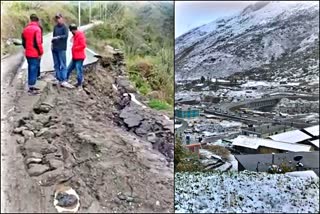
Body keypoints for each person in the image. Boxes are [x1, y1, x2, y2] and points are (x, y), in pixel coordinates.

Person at [21, 14, 43, 95]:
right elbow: (38, 43)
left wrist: (27, 48)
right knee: (34, 69)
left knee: (30, 69)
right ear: (37, 20)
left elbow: (23, 42)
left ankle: (31, 86)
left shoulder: (25, 29)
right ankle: (31, 89)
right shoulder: (37, 29)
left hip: (28, 53)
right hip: (34, 53)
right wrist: (41, 52)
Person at [51, 13, 73, 88]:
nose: (58, 19)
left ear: (62, 18)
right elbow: (53, 37)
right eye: (57, 18)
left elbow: (66, 36)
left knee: (63, 64)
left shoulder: (64, 27)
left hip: (62, 48)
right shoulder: (55, 27)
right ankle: (58, 78)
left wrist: (58, 37)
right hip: (55, 48)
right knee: (56, 64)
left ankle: (64, 80)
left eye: (59, 18)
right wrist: (52, 45)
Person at [65, 24, 87, 89]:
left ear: (73, 30)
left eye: (71, 31)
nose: (71, 32)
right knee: (68, 69)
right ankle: (65, 80)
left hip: (79, 57)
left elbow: (83, 45)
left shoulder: (80, 35)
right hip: (74, 57)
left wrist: (75, 48)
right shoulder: (74, 36)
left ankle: (80, 84)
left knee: (78, 71)